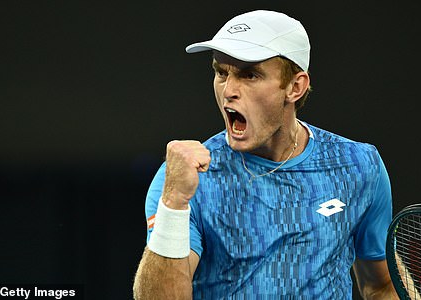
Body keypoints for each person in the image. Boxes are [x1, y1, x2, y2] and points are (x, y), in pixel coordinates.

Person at [133, 10, 398, 299]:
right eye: (221, 73)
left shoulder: (358, 166)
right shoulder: (184, 181)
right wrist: (174, 202)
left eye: (249, 75)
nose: (229, 91)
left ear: (295, 87)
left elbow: (380, 286)